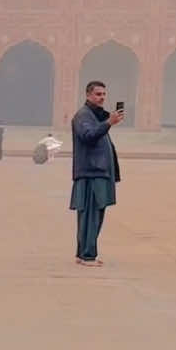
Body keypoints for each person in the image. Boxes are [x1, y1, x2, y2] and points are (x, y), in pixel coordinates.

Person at [70, 80, 124, 265]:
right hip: (91, 173)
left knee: (93, 214)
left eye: (103, 94)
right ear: (88, 95)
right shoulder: (83, 116)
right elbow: (88, 136)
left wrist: (107, 120)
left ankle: (83, 253)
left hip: (98, 172)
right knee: (91, 215)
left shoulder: (95, 116)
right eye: (98, 94)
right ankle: (87, 255)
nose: (102, 98)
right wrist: (108, 122)